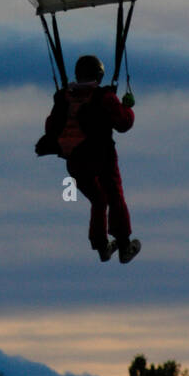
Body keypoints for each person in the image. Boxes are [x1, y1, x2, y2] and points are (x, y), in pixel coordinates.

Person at [37, 54, 140, 263]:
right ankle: (123, 245)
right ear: (99, 76)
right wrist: (128, 107)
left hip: (75, 161)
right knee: (114, 196)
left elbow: (50, 127)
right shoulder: (105, 98)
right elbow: (123, 124)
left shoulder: (63, 97)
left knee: (98, 199)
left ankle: (102, 246)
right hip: (102, 157)